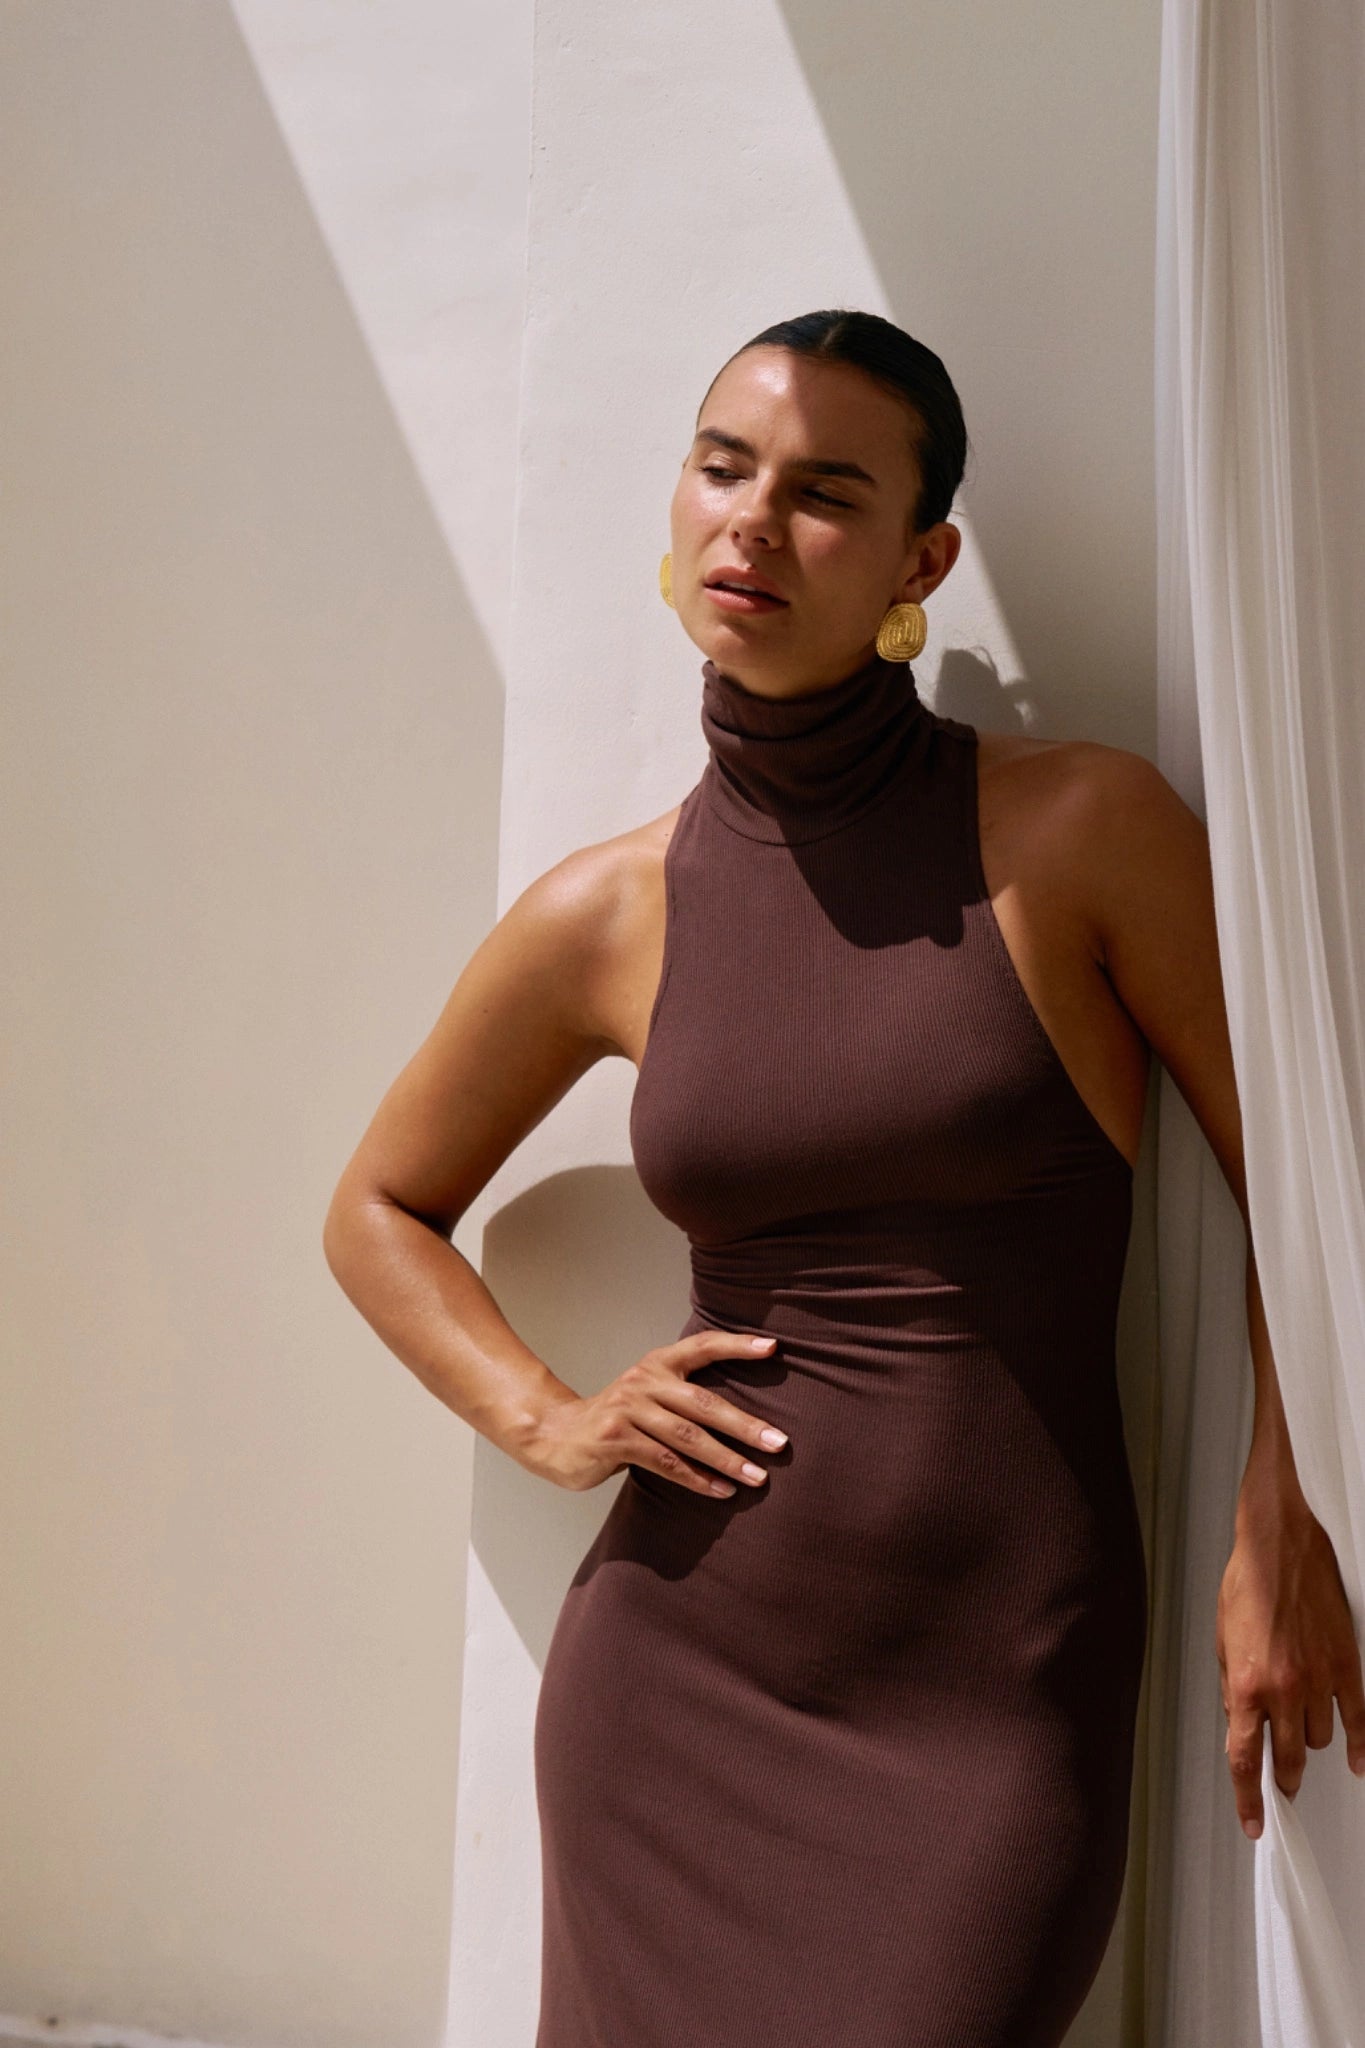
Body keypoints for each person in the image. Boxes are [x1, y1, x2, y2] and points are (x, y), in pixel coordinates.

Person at [323, 308, 1364, 2047]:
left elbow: (1315, 1198)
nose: (749, 521)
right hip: (676, 1679)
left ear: (918, 556)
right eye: (721, 467)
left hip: (994, 1700)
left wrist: (1285, 1508)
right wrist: (549, 1419)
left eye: (823, 491)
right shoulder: (612, 909)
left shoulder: (1082, 832)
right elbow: (377, 1208)